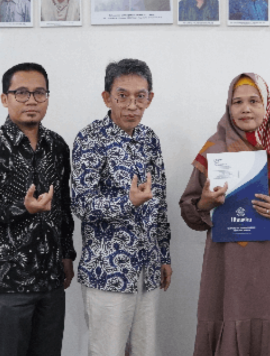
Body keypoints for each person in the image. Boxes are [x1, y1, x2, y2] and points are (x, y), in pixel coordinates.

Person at [180, 73, 270, 356]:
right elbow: (189, 210)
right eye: (238, 102)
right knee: (227, 317)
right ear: (228, 106)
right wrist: (205, 203)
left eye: (254, 101)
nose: (245, 108)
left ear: (266, 106)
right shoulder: (214, 150)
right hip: (227, 267)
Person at [0, 63, 76, 356]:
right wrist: (23, 208)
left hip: (51, 278)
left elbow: (63, 206)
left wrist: (67, 255)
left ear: (47, 97)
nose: (31, 100)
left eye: (39, 93)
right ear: (5, 98)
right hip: (9, 280)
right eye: (22, 93)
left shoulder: (57, 146)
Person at [71, 59, 172, 356]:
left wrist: (164, 255)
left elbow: (159, 202)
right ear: (107, 97)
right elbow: (81, 203)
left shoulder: (149, 139)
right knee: (107, 351)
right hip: (108, 271)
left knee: (145, 350)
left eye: (140, 96)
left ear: (149, 99)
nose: (132, 105)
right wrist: (128, 202)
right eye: (122, 96)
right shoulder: (90, 138)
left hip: (148, 268)